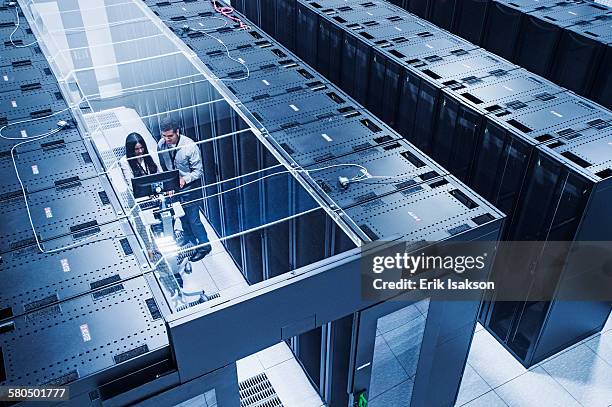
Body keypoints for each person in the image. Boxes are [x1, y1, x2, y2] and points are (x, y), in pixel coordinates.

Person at [157, 117, 211, 262]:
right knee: (181, 216)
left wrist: (184, 179)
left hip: (189, 187)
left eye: (170, 136)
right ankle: (190, 239)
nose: (166, 139)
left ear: (177, 132)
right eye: (164, 135)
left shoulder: (190, 146)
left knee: (194, 220)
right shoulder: (161, 145)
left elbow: (198, 172)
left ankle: (205, 247)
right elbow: (163, 167)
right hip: (174, 187)